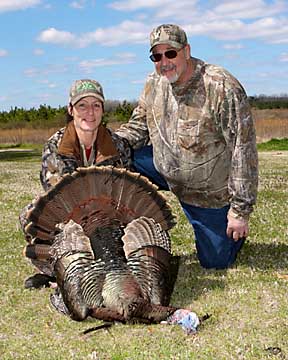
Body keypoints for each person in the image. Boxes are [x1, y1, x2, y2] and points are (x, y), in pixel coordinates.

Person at [115, 24, 258, 269]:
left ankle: (227, 231)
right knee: (115, 160)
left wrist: (239, 211)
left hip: (207, 193)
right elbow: (138, 128)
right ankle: (116, 236)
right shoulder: (153, 83)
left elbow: (243, 150)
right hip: (165, 169)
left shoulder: (221, 86)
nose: (164, 62)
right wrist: (106, 143)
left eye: (170, 53)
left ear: (187, 51)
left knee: (214, 262)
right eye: (156, 56)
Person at [20, 79, 131, 287]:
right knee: (29, 214)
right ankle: (58, 271)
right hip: (72, 218)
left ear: (102, 110)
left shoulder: (118, 145)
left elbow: (126, 194)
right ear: (71, 109)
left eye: (96, 105)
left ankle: (103, 265)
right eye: (82, 105)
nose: (90, 112)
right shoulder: (55, 145)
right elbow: (57, 196)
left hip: (109, 218)